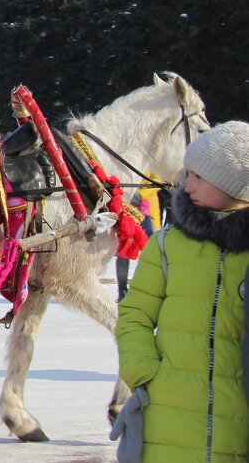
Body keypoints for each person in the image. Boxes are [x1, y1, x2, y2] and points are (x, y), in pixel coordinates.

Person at [116, 121, 249, 463]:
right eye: (188, 173)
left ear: (236, 185)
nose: (186, 184)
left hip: (237, 417)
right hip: (167, 410)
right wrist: (143, 370)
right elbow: (135, 313)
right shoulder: (166, 244)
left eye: (199, 177)